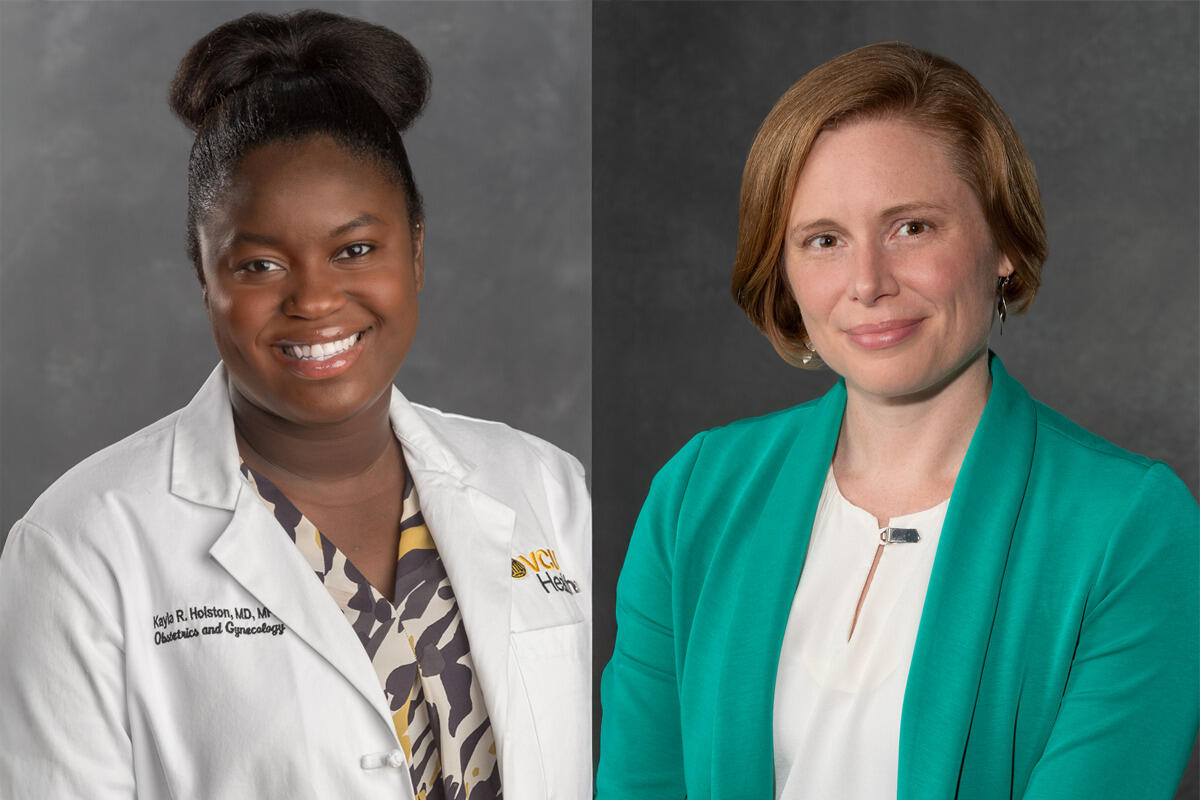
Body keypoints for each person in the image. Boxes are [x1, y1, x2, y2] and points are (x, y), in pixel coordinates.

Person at [0, 11, 590, 799]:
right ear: (203, 278)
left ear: (416, 250)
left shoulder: (546, 487)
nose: (314, 300)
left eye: (355, 250)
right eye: (260, 265)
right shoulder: (80, 549)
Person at [596, 41, 1197, 799]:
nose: (868, 283)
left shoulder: (1131, 528)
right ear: (783, 272)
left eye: (911, 227)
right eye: (824, 241)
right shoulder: (696, 495)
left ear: (1003, 242)